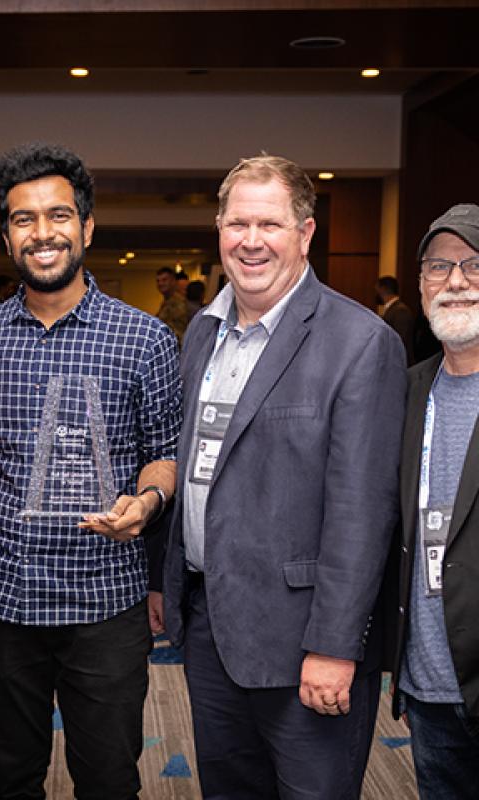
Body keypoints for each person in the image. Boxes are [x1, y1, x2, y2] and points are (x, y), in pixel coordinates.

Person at [163, 154, 407, 799]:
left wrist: (333, 647)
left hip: (304, 640)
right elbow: (197, 469)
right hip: (211, 624)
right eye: (236, 223)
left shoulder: (359, 342)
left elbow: (363, 511)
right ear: (218, 228)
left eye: (268, 224)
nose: (250, 241)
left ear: (304, 233)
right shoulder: (203, 333)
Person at [0, 142, 181, 800]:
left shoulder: (144, 338)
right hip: (3, 601)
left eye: (58, 216)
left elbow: (164, 453)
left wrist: (145, 502)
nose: (43, 233)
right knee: (10, 775)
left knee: (109, 779)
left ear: (86, 227)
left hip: (105, 605)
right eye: (24, 220)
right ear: (6, 236)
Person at [390, 204, 479, 799]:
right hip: (428, 683)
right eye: (438, 266)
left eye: (474, 265)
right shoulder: (405, 388)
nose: (455, 281)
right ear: (420, 285)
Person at [376, 275, 415, 365]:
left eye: (377, 289)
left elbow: (400, 341)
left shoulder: (401, 311)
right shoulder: (391, 309)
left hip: (399, 364)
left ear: (383, 289)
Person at [155, 266, 189, 344]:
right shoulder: (166, 302)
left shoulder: (179, 302)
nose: (160, 283)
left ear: (173, 281)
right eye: (158, 281)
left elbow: (179, 332)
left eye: (164, 280)